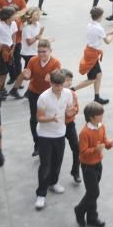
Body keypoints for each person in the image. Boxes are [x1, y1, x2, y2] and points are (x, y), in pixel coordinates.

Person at [74, 101, 113, 227]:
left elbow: (104, 141)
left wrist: (111, 143)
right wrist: (95, 149)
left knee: (91, 192)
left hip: (98, 163)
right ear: (91, 117)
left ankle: (91, 217)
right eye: (100, 114)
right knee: (93, 192)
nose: (102, 116)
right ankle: (79, 210)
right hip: (88, 166)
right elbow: (83, 152)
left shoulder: (101, 126)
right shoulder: (84, 133)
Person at [34, 71, 77, 210]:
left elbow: (70, 110)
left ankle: (54, 182)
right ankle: (41, 193)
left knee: (57, 161)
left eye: (61, 84)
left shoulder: (68, 94)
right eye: (56, 85)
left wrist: (71, 112)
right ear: (51, 83)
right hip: (45, 135)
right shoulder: (43, 97)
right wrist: (51, 119)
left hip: (60, 133)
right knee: (45, 165)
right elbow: (39, 118)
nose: (59, 87)